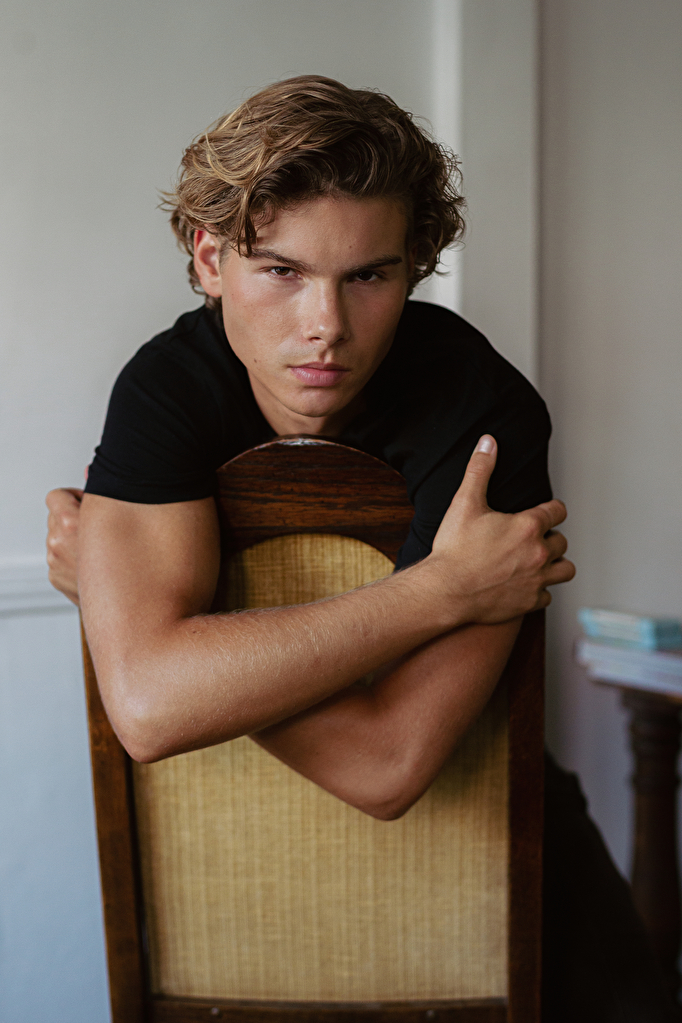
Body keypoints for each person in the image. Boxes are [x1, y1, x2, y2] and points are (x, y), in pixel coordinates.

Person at [45, 77, 676, 1020]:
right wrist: (444, 591)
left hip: (498, 855)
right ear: (210, 258)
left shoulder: (484, 408)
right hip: (229, 885)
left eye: (369, 276)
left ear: (414, 264)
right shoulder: (164, 391)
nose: (327, 327)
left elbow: (388, 765)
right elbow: (146, 709)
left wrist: (156, 636)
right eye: (282, 271)